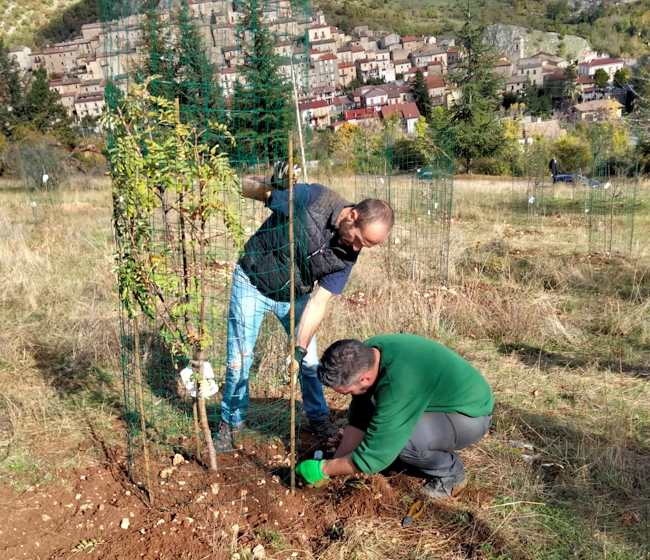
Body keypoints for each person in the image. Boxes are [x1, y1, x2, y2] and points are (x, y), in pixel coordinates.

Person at [215, 167, 394, 451]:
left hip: (295, 295)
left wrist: (298, 347)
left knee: (309, 363)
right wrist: (272, 183)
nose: (359, 248)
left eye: (368, 246)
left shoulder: (347, 256)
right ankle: (230, 423)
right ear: (352, 216)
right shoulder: (314, 199)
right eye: (361, 239)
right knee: (239, 360)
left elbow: (319, 301)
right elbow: (248, 188)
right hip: (252, 282)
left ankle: (319, 419)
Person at [296, 334, 494, 498]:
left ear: (364, 378)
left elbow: (375, 456)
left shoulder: (398, 384)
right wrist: (337, 460)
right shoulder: (367, 355)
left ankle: (451, 475)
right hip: (433, 401)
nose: (349, 396)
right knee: (379, 417)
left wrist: (323, 470)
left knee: (403, 441)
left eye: (347, 392)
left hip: (470, 415)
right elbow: (360, 415)